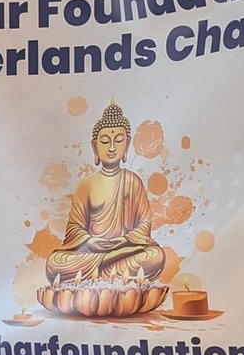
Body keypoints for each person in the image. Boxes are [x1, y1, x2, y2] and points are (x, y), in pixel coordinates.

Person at [44, 100, 166, 284]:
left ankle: (100, 270)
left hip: (125, 248)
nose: (111, 148)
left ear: (127, 144)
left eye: (118, 141)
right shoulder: (86, 184)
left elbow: (144, 223)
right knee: (55, 264)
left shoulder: (133, 181)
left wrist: (125, 241)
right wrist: (89, 241)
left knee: (155, 256)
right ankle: (109, 265)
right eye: (105, 141)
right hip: (92, 252)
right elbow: (74, 227)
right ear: (95, 146)